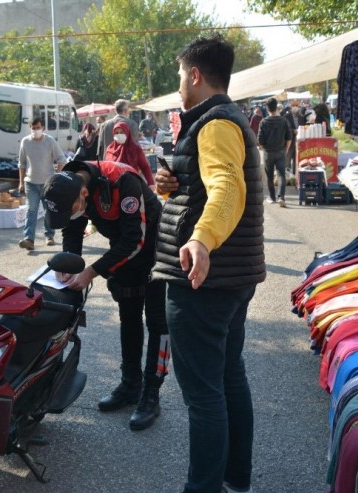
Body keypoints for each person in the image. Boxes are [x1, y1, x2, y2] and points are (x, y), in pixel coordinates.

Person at [152, 34, 266, 493]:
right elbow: (207, 184)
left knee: (204, 397)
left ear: (195, 75)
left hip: (205, 277)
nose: (179, 83)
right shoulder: (220, 120)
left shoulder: (215, 122)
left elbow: (227, 188)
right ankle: (236, 479)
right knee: (228, 378)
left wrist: (201, 240)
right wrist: (172, 182)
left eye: (180, 75)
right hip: (231, 276)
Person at [42, 160, 170, 431]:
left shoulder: (123, 183)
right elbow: (72, 229)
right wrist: (69, 263)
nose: (73, 214)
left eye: (73, 209)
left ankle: (151, 394)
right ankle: (130, 385)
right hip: (124, 253)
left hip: (157, 251)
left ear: (85, 195)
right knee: (129, 317)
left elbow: (135, 239)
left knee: (158, 324)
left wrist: (92, 271)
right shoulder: (68, 183)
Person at [17, 117, 67, 250]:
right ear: (30, 128)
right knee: (31, 210)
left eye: (38, 128)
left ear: (43, 128)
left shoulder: (50, 141)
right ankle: (29, 239)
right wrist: (21, 182)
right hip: (30, 182)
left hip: (47, 183)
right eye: (33, 128)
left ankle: (49, 235)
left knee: (48, 210)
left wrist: (56, 176)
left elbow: (62, 160)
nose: (35, 130)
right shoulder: (25, 142)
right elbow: (21, 164)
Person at [257, 97, 292, 208]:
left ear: (267, 109)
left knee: (270, 175)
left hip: (268, 152)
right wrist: (286, 149)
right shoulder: (284, 121)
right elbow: (289, 138)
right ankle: (281, 197)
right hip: (281, 151)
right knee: (281, 174)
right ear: (277, 107)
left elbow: (260, 140)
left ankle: (272, 197)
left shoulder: (263, 122)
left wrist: (264, 149)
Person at [104, 121, 155, 187]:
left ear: (127, 132)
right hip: (114, 185)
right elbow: (106, 167)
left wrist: (151, 183)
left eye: (122, 132)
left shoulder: (135, 148)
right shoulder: (110, 149)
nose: (119, 135)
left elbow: (145, 166)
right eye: (116, 133)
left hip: (132, 184)